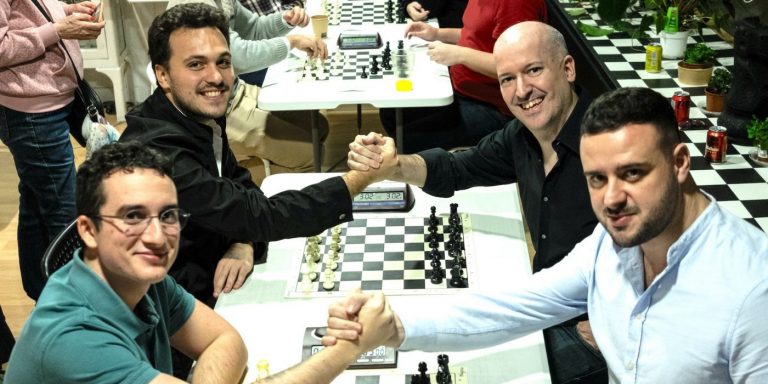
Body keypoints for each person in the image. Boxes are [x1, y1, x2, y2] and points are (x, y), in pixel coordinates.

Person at [326, 87, 768, 382]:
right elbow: (518, 307)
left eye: (632, 173)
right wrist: (396, 328)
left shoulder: (752, 290)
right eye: (597, 179)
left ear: (679, 163)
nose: (612, 198)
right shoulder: (611, 244)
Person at [4, 141, 394, 383]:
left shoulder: (140, 278)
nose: (157, 237)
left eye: (168, 215)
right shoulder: (74, 339)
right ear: (88, 230)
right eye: (133, 217)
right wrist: (348, 349)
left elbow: (227, 342)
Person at [349, 21, 606, 383]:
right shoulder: (524, 135)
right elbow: (459, 167)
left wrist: (610, 324)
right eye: (507, 79)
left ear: (567, 69)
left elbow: (669, 242)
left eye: (533, 70)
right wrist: (395, 167)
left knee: (485, 369)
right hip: (544, 300)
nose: (522, 91)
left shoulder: (611, 146)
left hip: (591, 328)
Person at [121, 3, 395, 305]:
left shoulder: (196, 115)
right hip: (169, 306)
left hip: (213, 270)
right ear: (162, 75)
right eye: (196, 64)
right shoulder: (160, 153)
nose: (216, 77)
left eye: (223, 62)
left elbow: (239, 183)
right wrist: (359, 179)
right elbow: (261, 215)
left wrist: (243, 240)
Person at [0, 0, 104, 301]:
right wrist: (58, 29)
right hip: (30, 108)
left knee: (36, 197)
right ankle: (78, 304)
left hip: (49, 97)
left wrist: (65, 14)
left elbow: (26, 16)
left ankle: (42, 289)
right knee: (64, 210)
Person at [166, 0, 328, 182]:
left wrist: (285, 20)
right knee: (309, 154)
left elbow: (253, 29)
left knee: (318, 125)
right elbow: (237, 56)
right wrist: (290, 43)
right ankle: (257, 196)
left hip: (234, 91)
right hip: (213, 110)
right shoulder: (193, 7)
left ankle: (256, 181)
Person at [381, 0, 546, 153]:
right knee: (391, 112)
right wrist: (437, 33)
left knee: (407, 139)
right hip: (462, 89)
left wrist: (461, 55)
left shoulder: (515, 4)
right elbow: (476, 35)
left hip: (497, 107)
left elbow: (518, 68)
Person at [402, 0, 467, 28]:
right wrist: (408, 7)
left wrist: (436, 34)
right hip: (441, 36)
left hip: (462, 41)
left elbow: (434, 6)